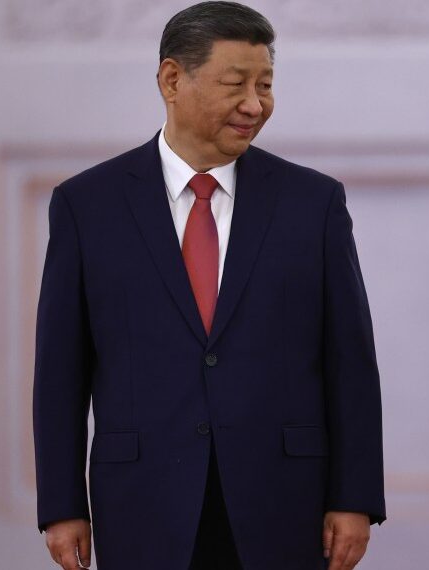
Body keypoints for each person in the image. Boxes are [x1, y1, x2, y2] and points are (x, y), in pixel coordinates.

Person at [32, 3, 384, 569]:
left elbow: (350, 362)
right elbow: (60, 371)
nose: (255, 104)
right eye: (235, 84)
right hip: (142, 500)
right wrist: (62, 505)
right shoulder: (86, 206)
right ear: (172, 79)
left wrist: (356, 497)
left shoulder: (313, 204)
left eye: (265, 85)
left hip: (283, 499)